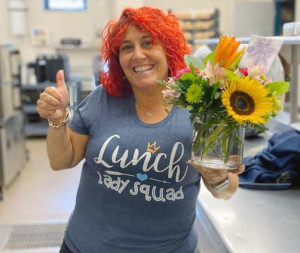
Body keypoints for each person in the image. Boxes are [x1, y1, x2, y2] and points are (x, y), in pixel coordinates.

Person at [36, 7, 244, 253]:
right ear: (117, 59)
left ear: (168, 49)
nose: (138, 55)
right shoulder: (103, 99)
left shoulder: (199, 106)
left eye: (148, 43)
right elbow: (62, 160)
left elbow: (226, 191)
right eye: (126, 47)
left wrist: (216, 177)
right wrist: (58, 119)